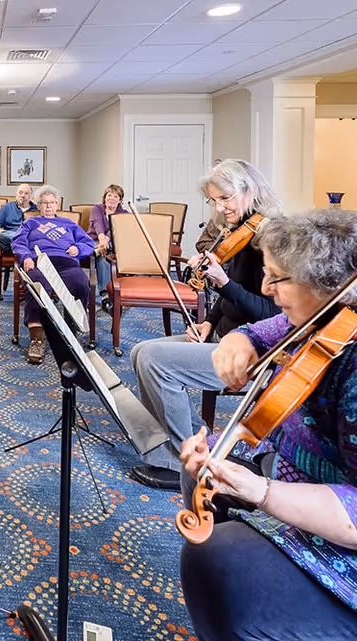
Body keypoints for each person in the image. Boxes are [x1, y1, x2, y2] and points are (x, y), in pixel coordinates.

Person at [179, 208, 357, 641]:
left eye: (278, 279)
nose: (265, 288)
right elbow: (260, 331)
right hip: (292, 465)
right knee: (200, 470)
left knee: (214, 561)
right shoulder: (327, 314)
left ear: (329, 284)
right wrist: (238, 341)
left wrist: (262, 493)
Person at [129, 159, 283, 491]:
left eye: (225, 198)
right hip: (222, 334)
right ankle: (192, 444)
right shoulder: (240, 232)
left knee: (157, 362)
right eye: (214, 200)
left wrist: (223, 282)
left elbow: (272, 315)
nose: (219, 207)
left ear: (249, 190)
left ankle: (189, 464)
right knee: (140, 350)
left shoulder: (271, 240)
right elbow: (231, 299)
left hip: (253, 349)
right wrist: (207, 322)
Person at [11, 185, 93, 365]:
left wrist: (77, 248)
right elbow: (17, 242)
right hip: (40, 261)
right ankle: (37, 338)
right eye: (44, 203)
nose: (48, 206)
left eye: (51, 203)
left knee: (80, 283)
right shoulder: (30, 223)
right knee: (37, 286)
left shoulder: (69, 224)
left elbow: (88, 243)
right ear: (38, 205)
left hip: (66, 262)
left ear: (57, 204)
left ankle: (71, 331)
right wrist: (26, 257)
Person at [86, 184, 128, 312]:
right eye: (109, 195)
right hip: (95, 239)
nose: (112, 198)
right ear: (104, 197)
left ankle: (95, 253)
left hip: (113, 243)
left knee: (103, 256)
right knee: (103, 258)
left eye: (116, 196)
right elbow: (97, 223)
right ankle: (105, 297)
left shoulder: (124, 213)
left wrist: (106, 240)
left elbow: (116, 229)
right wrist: (102, 238)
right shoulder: (97, 208)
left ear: (120, 200)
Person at [0, 183, 37, 255]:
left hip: (30, 240)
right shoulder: (6, 208)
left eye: (26, 193)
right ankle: (21, 241)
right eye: (20, 192)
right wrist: (17, 235)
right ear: (16, 194)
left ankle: (22, 245)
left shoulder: (37, 210)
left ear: (31, 196)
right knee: (0, 234)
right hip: (11, 242)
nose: (23, 196)